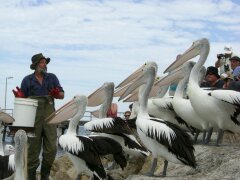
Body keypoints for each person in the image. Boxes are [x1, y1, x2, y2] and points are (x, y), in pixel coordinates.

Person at [12, 53, 64, 180]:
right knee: (32, 150)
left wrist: (57, 94)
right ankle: (31, 176)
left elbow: (62, 95)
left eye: (45, 62)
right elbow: (23, 101)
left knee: (51, 148)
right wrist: (20, 96)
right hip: (32, 117)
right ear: (35, 65)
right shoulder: (27, 80)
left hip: (49, 115)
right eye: (41, 62)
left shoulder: (52, 78)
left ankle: (45, 174)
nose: (44, 64)